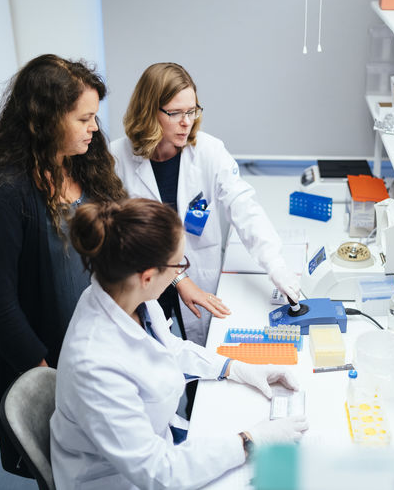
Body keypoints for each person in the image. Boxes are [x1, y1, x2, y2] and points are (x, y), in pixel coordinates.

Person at [51, 198, 309, 490]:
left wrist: (234, 367)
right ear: (147, 277)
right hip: (116, 480)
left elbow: (166, 348)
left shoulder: (128, 296)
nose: (180, 274)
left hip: (157, 445)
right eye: (178, 265)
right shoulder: (95, 365)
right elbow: (158, 473)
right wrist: (250, 441)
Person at [0, 54, 127, 476]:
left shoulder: (85, 161)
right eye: (84, 118)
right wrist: (43, 373)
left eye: (95, 117)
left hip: (91, 341)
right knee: (63, 465)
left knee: (108, 457)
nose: (94, 128)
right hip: (42, 355)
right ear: (45, 120)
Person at [112, 62, 300, 349]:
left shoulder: (209, 151)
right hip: (143, 283)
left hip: (200, 276)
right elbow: (124, 238)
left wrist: (274, 264)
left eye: (192, 110)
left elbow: (243, 205)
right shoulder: (118, 158)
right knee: (152, 360)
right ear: (149, 111)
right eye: (175, 113)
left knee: (198, 360)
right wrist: (180, 280)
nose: (186, 122)